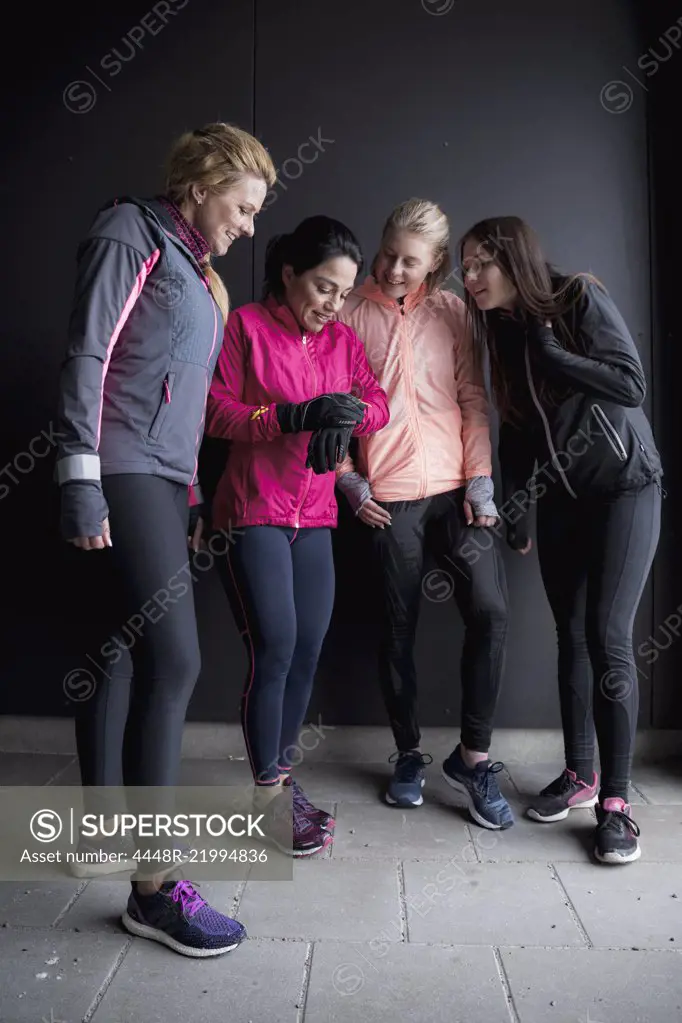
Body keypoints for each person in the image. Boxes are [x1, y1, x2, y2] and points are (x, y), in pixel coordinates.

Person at [55, 122, 276, 955]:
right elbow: (86, 353)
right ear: (202, 182)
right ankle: (153, 888)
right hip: (118, 464)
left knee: (114, 646)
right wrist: (78, 476)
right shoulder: (130, 231)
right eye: (243, 205)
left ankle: (103, 833)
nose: (249, 224)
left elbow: (181, 396)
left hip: (159, 477)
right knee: (175, 659)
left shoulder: (196, 270)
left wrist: (186, 498)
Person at [459, 214, 663, 864]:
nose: (468, 279)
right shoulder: (502, 331)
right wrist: (517, 508)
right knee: (569, 635)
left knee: (607, 636)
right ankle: (581, 775)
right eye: (463, 269)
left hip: (625, 489)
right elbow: (517, 430)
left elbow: (630, 382)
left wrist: (556, 356)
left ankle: (618, 805)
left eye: (477, 265)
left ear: (510, 258)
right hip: (563, 500)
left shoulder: (577, 296)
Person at [204, 215, 390, 855]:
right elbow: (216, 409)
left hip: (316, 516)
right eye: (321, 287)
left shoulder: (342, 340)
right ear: (289, 274)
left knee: (308, 647)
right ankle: (269, 794)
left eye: (342, 292)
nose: (332, 303)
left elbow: (379, 399)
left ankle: (280, 781)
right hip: (253, 509)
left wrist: (352, 413)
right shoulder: (246, 327)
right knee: (276, 646)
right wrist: (286, 416)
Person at [335, 199, 513, 830]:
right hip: (389, 495)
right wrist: (349, 480)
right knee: (395, 625)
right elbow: (325, 407)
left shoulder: (454, 311)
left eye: (410, 260)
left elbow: (472, 398)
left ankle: (473, 757)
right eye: (387, 252)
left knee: (490, 611)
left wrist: (482, 478)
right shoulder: (349, 309)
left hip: (458, 489)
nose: (393, 268)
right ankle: (408, 754)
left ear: (435, 263)